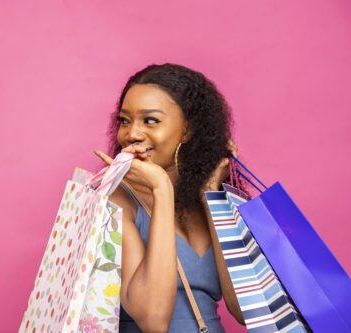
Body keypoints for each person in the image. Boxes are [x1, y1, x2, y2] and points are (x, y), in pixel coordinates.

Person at [94, 63, 246, 332]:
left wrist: (211, 196)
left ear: (188, 129)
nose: (133, 134)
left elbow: (243, 309)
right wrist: (161, 190)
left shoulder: (209, 197)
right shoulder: (115, 200)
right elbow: (153, 320)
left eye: (150, 120)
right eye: (125, 120)